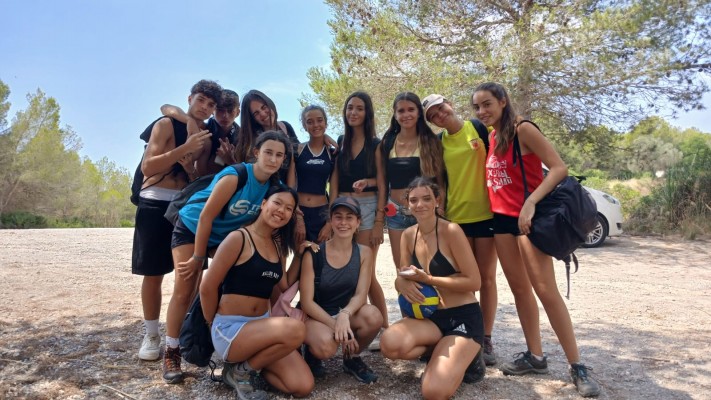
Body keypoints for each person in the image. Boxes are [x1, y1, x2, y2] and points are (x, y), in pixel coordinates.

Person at [472, 82, 600, 397]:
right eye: (477, 107)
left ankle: (577, 365)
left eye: (487, 104)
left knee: (546, 291)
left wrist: (531, 202)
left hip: (529, 221)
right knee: (520, 290)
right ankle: (535, 357)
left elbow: (559, 168)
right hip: (501, 221)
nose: (482, 111)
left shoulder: (523, 129)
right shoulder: (492, 136)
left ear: (503, 101)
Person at [162, 131, 290, 384]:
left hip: (223, 236)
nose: (273, 159)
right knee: (185, 287)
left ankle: (230, 343)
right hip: (192, 226)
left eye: (279, 155)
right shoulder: (236, 175)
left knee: (234, 281)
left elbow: (286, 209)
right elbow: (206, 217)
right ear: (256, 153)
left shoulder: (273, 188)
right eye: (268, 152)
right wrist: (198, 257)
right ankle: (172, 351)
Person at [132, 79, 221, 362]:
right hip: (154, 201)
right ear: (190, 98)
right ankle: (151, 334)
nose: (204, 107)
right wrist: (184, 149)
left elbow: (199, 178)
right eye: (201, 100)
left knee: (190, 275)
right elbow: (148, 166)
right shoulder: (165, 124)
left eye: (210, 104)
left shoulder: (206, 137)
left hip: (185, 207)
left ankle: (182, 334)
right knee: (153, 273)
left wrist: (190, 168)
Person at [200, 184, 314, 399]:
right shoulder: (239, 238)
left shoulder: (277, 245)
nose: (281, 211)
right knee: (296, 329)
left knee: (303, 386)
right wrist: (211, 323)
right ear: (263, 204)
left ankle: (249, 368)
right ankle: (241, 372)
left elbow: (284, 283)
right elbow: (207, 287)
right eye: (277, 203)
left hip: (262, 329)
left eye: (288, 208)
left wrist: (299, 255)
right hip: (231, 330)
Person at [380, 177, 485, 400]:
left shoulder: (451, 230)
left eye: (427, 199)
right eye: (414, 200)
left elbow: (474, 282)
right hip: (430, 318)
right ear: (407, 203)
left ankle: (470, 357)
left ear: (437, 201)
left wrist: (429, 279)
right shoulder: (408, 235)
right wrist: (401, 283)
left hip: (461, 318)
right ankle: (442, 352)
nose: (420, 205)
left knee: (433, 392)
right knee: (389, 345)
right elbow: (402, 278)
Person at [422, 93, 499, 365]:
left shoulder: (479, 128)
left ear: (450, 104)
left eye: (440, 108)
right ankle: (468, 335)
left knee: (486, 279)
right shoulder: (439, 142)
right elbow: (439, 180)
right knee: (464, 279)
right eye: (433, 115)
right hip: (457, 219)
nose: (439, 115)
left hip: (487, 214)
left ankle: (485, 337)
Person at [298, 197, 381, 383]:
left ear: (358, 222)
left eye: (349, 217)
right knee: (326, 348)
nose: (343, 222)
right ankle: (311, 352)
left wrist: (345, 314)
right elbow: (306, 302)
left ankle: (351, 358)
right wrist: (336, 325)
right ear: (331, 220)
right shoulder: (315, 253)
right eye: (338, 217)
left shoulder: (364, 252)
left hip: (344, 313)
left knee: (374, 316)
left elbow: (361, 293)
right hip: (316, 316)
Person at [329, 92, 388, 347]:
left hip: (367, 207)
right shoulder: (341, 142)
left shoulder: (376, 144)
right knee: (346, 269)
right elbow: (333, 180)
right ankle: (351, 324)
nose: (353, 112)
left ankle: (383, 327)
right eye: (350, 108)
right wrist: (330, 212)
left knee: (367, 272)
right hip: (342, 207)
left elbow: (383, 183)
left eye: (359, 108)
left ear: (367, 113)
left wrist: (379, 222)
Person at [376, 92, 446, 275]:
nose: (406, 114)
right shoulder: (386, 144)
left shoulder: (431, 142)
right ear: (395, 114)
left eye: (411, 110)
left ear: (419, 112)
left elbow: (439, 181)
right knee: (403, 269)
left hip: (425, 212)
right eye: (401, 111)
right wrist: (379, 218)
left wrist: (440, 208)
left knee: (430, 269)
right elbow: (382, 183)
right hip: (395, 213)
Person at [161, 89, 242, 175]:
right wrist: (189, 120)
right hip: (198, 178)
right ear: (213, 110)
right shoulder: (204, 127)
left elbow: (247, 173)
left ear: (237, 112)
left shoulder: (242, 137)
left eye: (230, 111)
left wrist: (230, 161)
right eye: (220, 110)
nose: (225, 115)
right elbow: (165, 107)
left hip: (232, 179)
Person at [294, 105, 335, 243]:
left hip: (322, 213)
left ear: (325, 123)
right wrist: (297, 216)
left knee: (320, 254)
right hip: (300, 211)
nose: (316, 125)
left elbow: (334, 190)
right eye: (310, 122)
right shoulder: (297, 150)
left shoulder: (332, 154)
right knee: (301, 253)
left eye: (319, 120)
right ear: (304, 126)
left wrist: (329, 222)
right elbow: (290, 186)